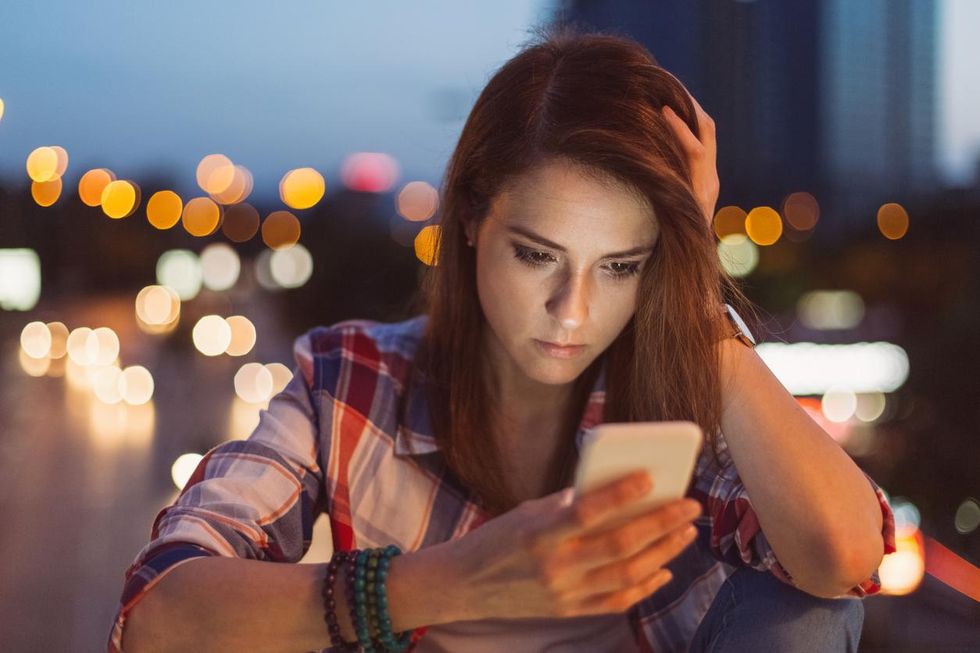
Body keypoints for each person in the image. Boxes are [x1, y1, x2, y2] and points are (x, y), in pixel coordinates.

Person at [108, 26, 896, 653]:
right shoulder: (352, 381)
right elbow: (159, 620)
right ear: (472, 222)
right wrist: (452, 581)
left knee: (805, 605)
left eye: (621, 266)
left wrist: (692, 294)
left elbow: (845, 559)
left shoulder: (674, 407)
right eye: (536, 255)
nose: (572, 310)